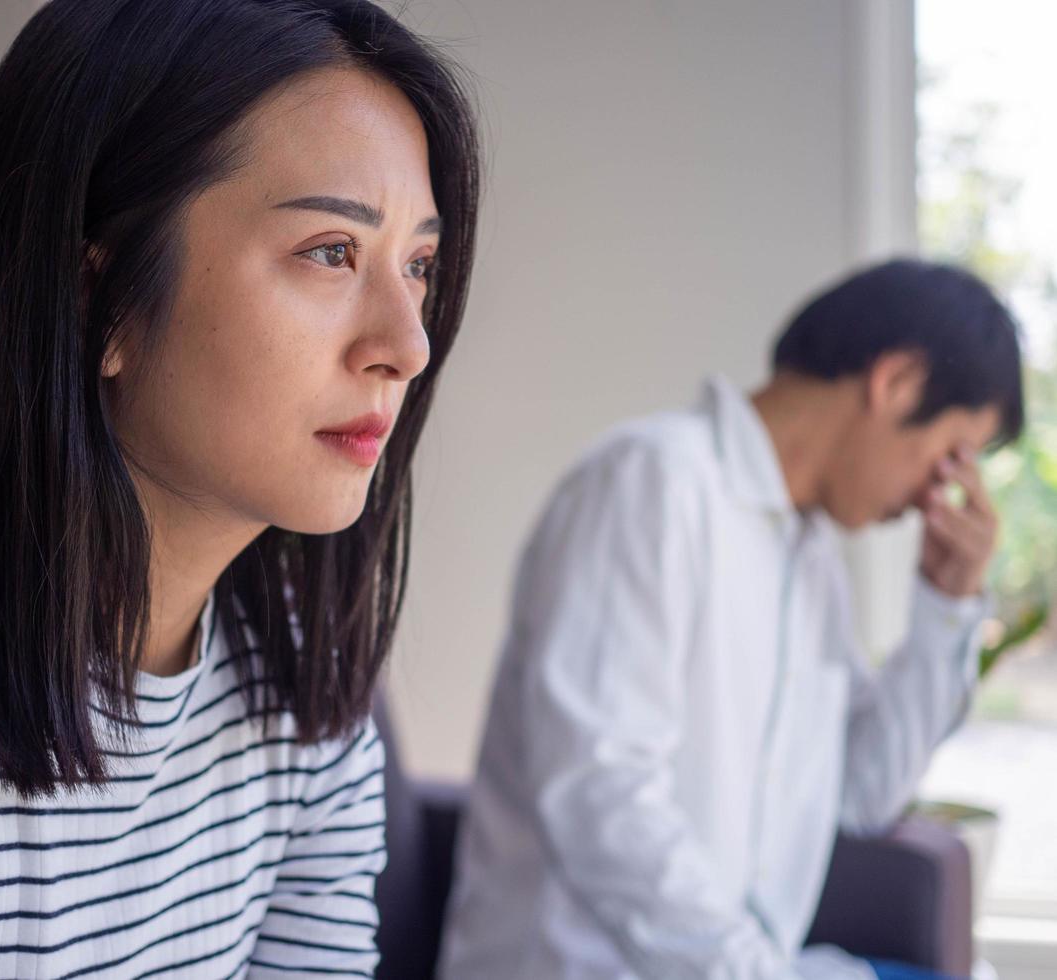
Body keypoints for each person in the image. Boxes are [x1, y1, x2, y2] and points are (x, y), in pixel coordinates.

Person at [0, 0, 479, 976]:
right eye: (329, 252)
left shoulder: (299, 671)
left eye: (419, 265)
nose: (407, 344)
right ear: (99, 294)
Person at [438, 259, 1023, 980]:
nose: (937, 494)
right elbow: (600, 794)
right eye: (949, 457)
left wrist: (946, 607)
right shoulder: (651, 483)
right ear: (895, 382)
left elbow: (865, 794)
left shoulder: (808, 556)